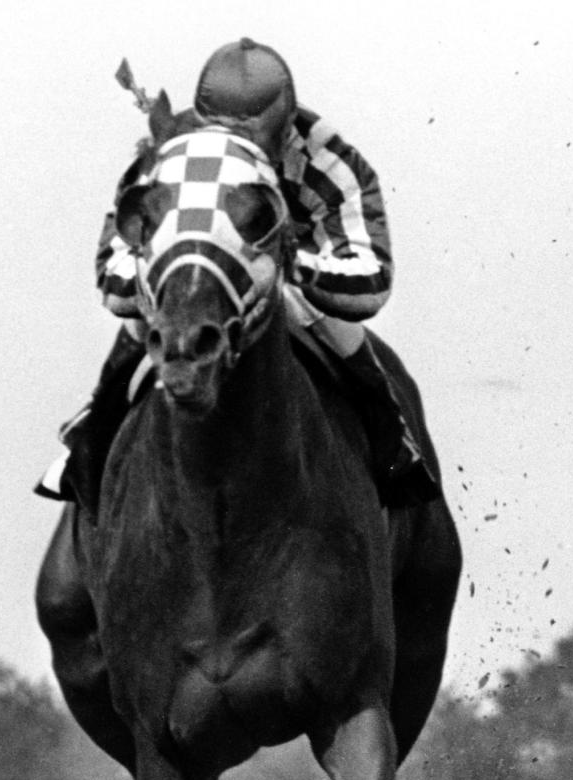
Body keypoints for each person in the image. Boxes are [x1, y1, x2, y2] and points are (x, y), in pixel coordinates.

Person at [38, 37, 435, 511]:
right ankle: (88, 440)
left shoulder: (329, 162)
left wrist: (281, 265)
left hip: (292, 286)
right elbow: (114, 271)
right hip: (194, 284)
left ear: (285, 128)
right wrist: (164, 270)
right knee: (136, 330)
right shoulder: (168, 159)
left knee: (349, 341)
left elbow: (370, 275)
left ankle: (393, 444)